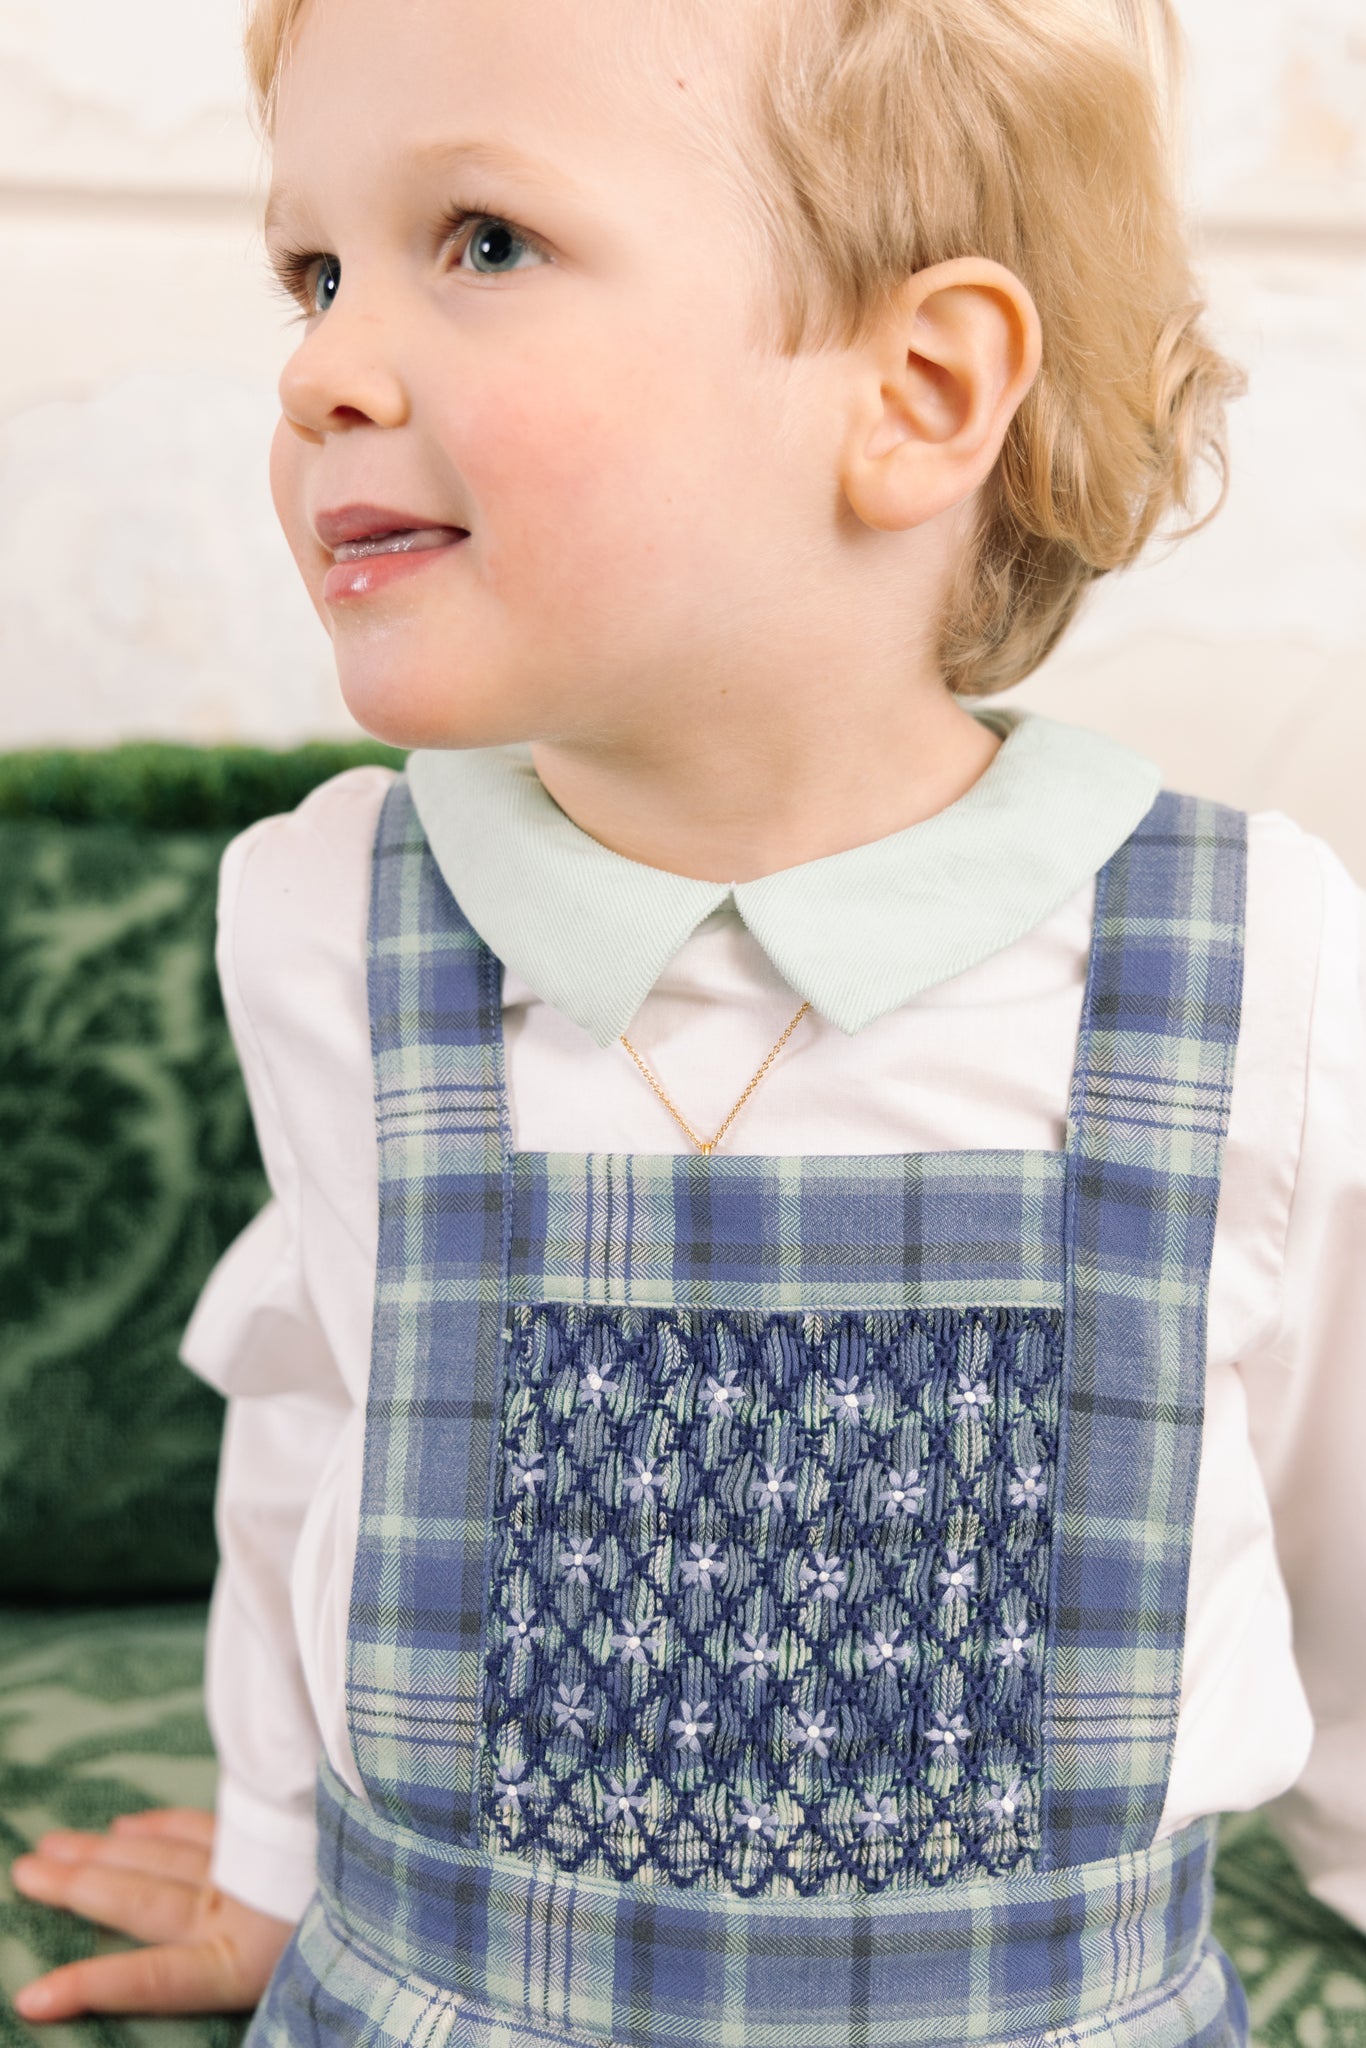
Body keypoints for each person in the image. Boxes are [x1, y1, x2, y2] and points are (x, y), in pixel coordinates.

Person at [9, 0, 1365, 2039]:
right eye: (311, 269)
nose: (315, 369)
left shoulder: (1230, 952)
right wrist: (281, 1861)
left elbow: (1334, 1496)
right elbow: (310, 1412)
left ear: (913, 390)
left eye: (477, 240)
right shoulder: (329, 921)